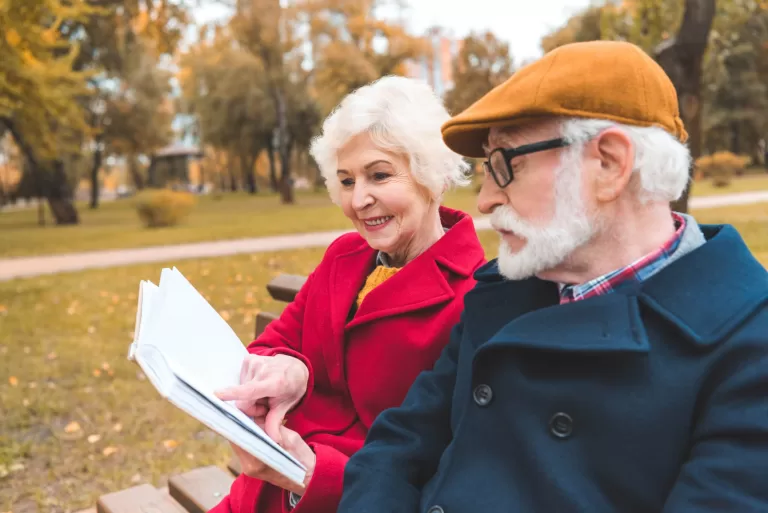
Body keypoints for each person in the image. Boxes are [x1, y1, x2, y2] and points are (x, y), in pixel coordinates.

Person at [338, 40, 768, 512]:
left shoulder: (748, 346)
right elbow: (397, 447)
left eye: (505, 165)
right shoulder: (503, 293)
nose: (485, 199)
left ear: (609, 164)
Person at [208, 75, 486, 513]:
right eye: (346, 180)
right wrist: (291, 370)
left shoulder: (471, 297)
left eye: (379, 175)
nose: (358, 200)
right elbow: (272, 343)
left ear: (432, 176)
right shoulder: (344, 256)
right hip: (256, 494)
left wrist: (312, 477)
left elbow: (445, 470)